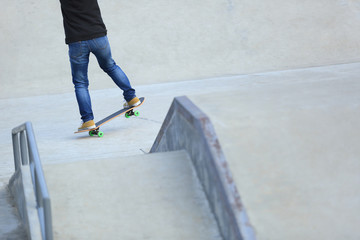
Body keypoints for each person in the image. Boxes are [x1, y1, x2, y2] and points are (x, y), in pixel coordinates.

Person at [59, 0, 140, 131]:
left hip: (77, 41)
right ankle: (131, 98)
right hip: (98, 37)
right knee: (111, 66)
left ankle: (88, 120)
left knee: (80, 83)